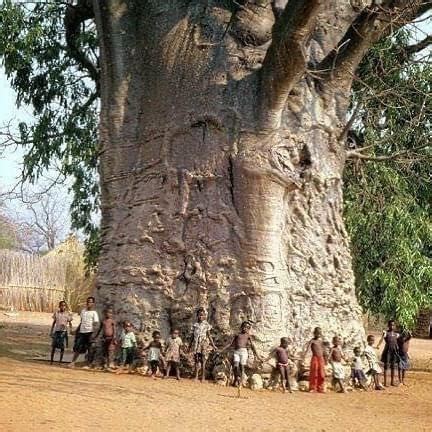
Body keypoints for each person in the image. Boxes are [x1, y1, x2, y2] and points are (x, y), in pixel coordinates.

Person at [222, 321, 260, 387]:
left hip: (243, 351)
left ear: (248, 329)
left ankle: (241, 382)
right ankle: (237, 378)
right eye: (244, 327)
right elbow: (230, 343)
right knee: (235, 366)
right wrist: (222, 349)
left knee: (242, 367)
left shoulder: (248, 336)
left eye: (247, 327)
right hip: (236, 351)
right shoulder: (237, 335)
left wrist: (257, 356)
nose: (245, 328)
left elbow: (252, 346)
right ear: (241, 327)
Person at [69, 296, 100, 368]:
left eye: (91, 302)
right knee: (78, 347)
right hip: (82, 332)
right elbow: (81, 322)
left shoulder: (94, 313)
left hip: (90, 332)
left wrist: (94, 333)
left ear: (93, 303)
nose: (89, 303)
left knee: (90, 348)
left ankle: (89, 364)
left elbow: (95, 323)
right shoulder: (83, 311)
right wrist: (76, 331)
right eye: (88, 301)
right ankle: (73, 362)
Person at [189, 308, 217, 383]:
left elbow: (209, 335)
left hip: (204, 343)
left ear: (205, 316)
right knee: (197, 360)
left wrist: (213, 345)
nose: (201, 317)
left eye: (202, 315)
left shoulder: (206, 325)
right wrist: (189, 346)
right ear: (197, 316)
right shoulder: (195, 325)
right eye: (199, 315)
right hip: (196, 343)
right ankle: (196, 376)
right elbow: (192, 337)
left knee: (204, 360)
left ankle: (203, 377)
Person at [377, 319, 400, 386]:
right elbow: (381, 339)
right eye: (390, 325)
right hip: (388, 351)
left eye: (393, 325)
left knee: (393, 366)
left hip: (394, 352)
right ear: (388, 325)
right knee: (386, 366)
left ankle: (392, 382)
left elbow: (400, 342)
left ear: (394, 326)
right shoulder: (386, 333)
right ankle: (385, 382)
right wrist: (378, 345)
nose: (392, 326)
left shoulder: (397, 334)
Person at [304, 327, 326, 393]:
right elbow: (307, 349)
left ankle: (320, 387)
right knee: (314, 372)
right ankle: (313, 388)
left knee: (321, 373)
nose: (318, 334)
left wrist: (326, 358)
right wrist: (304, 357)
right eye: (317, 333)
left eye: (319, 333)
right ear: (314, 333)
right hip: (315, 358)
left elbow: (323, 350)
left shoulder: (321, 341)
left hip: (321, 358)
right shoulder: (312, 341)